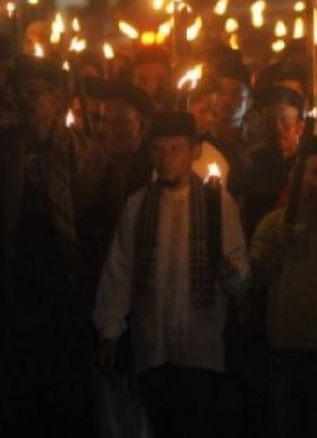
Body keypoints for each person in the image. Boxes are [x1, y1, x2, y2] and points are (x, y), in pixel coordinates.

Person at [93, 111, 251, 438]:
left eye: (174, 149)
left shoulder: (218, 204)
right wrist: (109, 328)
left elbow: (238, 268)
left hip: (201, 347)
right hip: (153, 344)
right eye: (158, 150)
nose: (165, 158)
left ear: (194, 152)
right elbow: (120, 268)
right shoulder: (138, 205)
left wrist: (231, 273)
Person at [0, 56, 105, 436]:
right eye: (20, 94)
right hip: (15, 277)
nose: (28, 102)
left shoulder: (85, 153)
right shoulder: (2, 148)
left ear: (57, 99)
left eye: (36, 94)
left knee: (67, 378)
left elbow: (96, 220)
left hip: (67, 278)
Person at [249, 136, 317, 438]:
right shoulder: (271, 223)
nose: (306, 180)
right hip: (283, 343)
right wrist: (276, 248)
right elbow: (254, 279)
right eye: (300, 171)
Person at [243, 85, 307, 236]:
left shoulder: (307, 164)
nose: (278, 129)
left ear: (300, 127)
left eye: (285, 122)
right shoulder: (252, 162)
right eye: (270, 121)